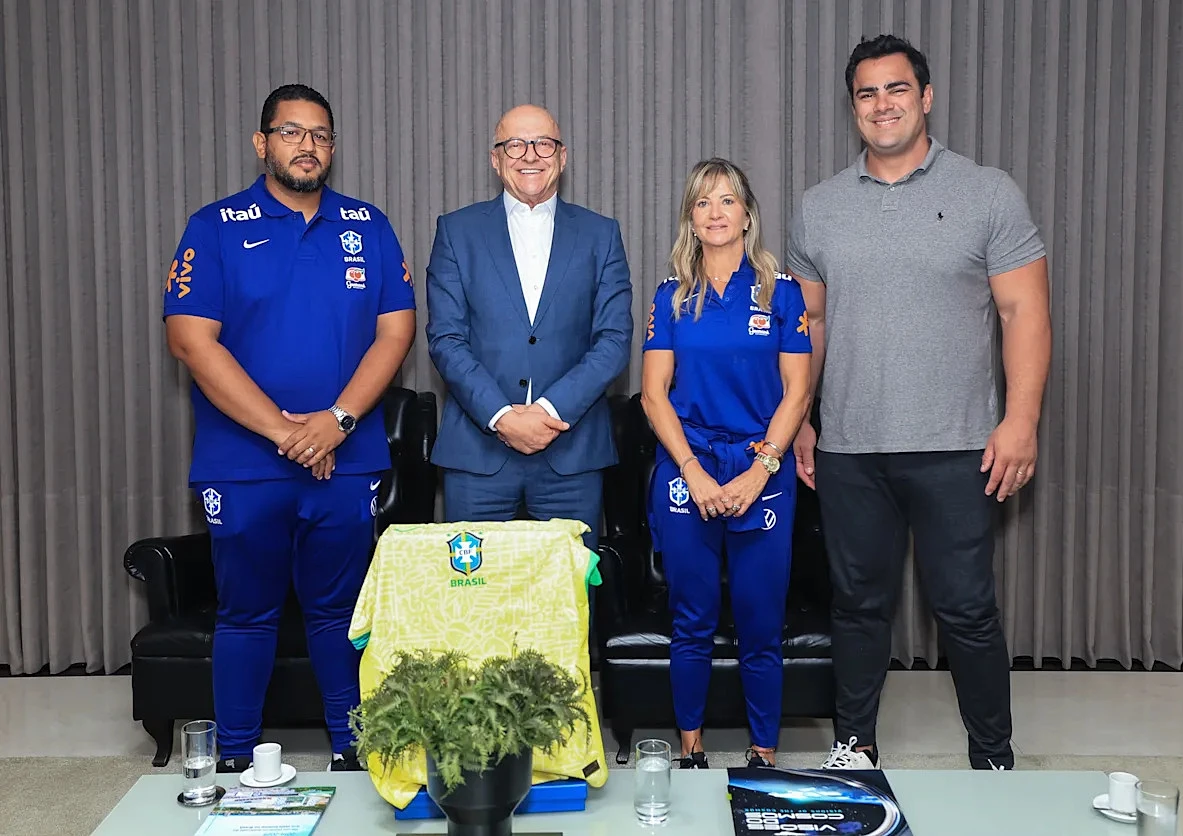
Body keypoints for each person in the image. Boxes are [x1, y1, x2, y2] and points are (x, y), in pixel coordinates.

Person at [787, 35, 1051, 771]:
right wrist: (800, 420)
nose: (883, 104)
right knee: (857, 608)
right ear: (853, 108)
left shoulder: (988, 192)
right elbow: (808, 325)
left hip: (959, 444)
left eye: (896, 89)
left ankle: (992, 756)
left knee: (966, 610)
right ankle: (855, 745)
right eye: (867, 93)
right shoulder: (819, 207)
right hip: (849, 448)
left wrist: (1022, 419)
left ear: (925, 97)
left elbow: (1024, 314)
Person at [163, 83, 416, 772]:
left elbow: (395, 333)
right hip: (244, 464)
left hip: (346, 457)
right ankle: (236, 763)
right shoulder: (212, 227)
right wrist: (286, 433)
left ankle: (356, 755)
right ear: (262, 142)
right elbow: (191, 341)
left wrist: (334, 423)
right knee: (246, 615)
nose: (308, 146)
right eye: (292, 132)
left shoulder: (368, 224)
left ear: (333, 147)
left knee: (341, 616)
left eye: (321, 135)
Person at [641, 158, 813, 769]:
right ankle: (692, 750)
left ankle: (763, 753)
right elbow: (653, 393)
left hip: (760, 471)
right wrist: (691, 469)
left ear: (747, 215)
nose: (715, 212)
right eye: (702, 202)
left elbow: (798, 391)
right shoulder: (671, 297)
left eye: (727, 201)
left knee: (760, 622)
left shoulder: (781, 293)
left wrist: (760, 468)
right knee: (691, 618)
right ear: (690, 217)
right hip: (688, 467)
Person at [425, 104, 633, 554]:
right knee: (472, 609)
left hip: (572, 454)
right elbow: (446, 339)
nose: (530, 155)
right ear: (495, 159)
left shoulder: (602, 235)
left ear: (562, 157)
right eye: (514, 144)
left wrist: (546, 411)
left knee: (570, 610)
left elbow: (613, 341)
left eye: (543, 143)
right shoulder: (456, 232)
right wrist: (502, 416)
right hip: (477, 457)